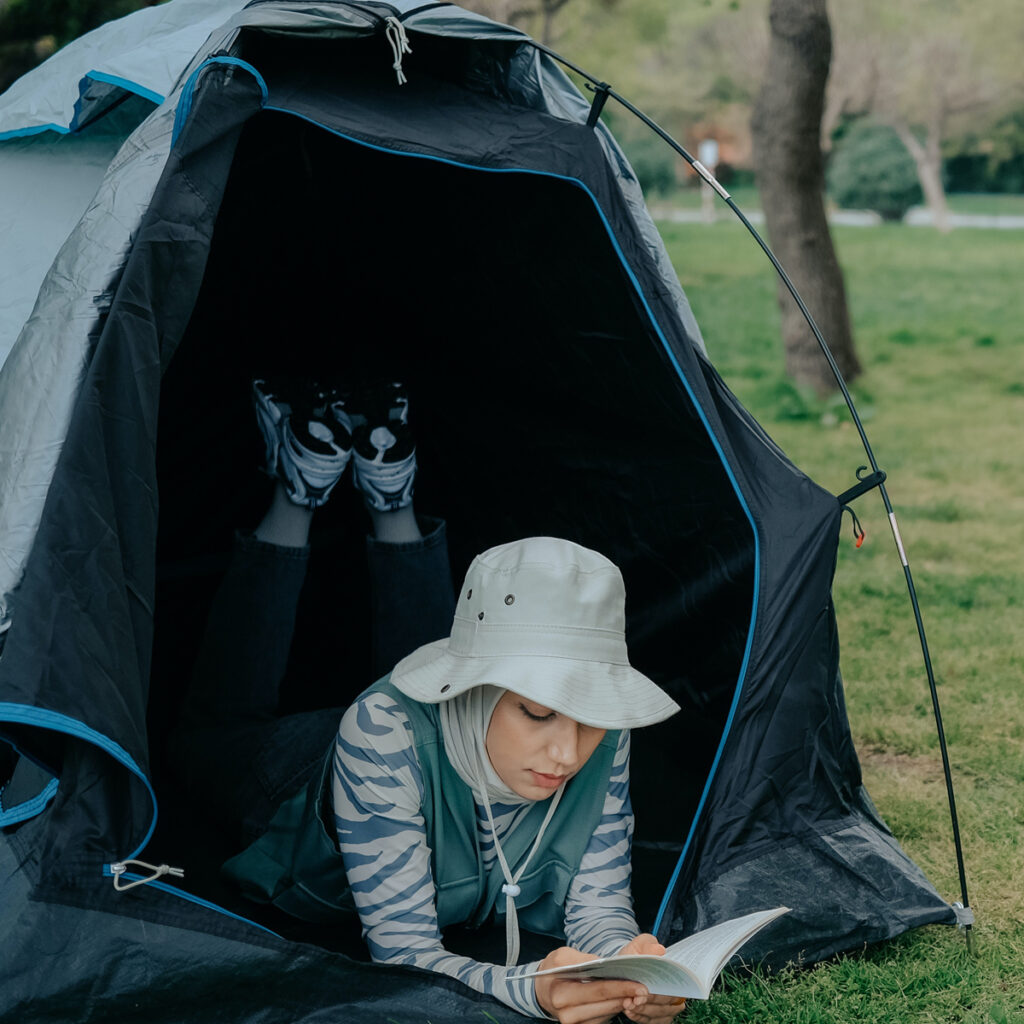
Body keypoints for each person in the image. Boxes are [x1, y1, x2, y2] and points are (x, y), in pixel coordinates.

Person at [173, 379, 685, 1024]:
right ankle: (296, 493)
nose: (568, 751)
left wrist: (632, 969)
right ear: (476, 691)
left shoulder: (600, 730)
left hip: (427, 730)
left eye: (588, 720)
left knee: (446, 654)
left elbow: (601, 905)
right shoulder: (383, 729)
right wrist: (532, 987)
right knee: (210, 732)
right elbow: (402, 951)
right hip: (306, 769)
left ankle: (391, 498)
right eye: (537, 711)